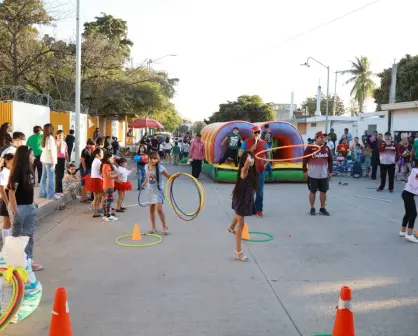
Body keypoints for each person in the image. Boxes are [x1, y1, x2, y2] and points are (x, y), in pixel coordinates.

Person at [8, 145, 43, 271]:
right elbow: (11, 193)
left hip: (30, 207)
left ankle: (28, 261)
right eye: (32, 155)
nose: (34, 157)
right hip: (20, 208)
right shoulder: (17, 172)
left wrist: (33, 204)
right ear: (25, 156)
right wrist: (16, 212)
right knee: (17, 237)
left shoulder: (30, 170)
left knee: (29, 236)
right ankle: (13, 264)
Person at [227, 151, 257, 261]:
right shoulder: (244, 170)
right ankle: (238, 252)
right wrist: (247, 163)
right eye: (249, 158)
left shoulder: (253, 172)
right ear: (245, 160)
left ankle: (230, 227)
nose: (251, 159)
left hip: (244, 199)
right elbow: (245, 168)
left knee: (239, 215)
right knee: (241, 225)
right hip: (241, 199)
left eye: (252, 158)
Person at [239, 126, 269, 218]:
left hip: (260, 171)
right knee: (249, 191)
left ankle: (259, 209)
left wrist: (264, 165)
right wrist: (250, 150)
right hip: (249, 171)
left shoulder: (264, 143)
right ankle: (249, 209)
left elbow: (269, 156)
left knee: (260, 192)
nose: (256, 134)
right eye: (255, 132)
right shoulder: (246, 142)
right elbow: (240, 154)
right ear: (251, 133)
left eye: (258, 132)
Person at [302, 131, 333, 216]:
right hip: (313, 174)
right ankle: (312, 208)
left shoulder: (327, 148)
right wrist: (305, 171)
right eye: (321, 137)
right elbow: (304, 160)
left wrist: (330, 171)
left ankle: (322, 208)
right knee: (313, 191)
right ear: (316, 138)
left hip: (323, 175)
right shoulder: (309, 148)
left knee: (324, 192)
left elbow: (330, 161)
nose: (323, 139)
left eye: (324, 137)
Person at [142, 151, 171, 235]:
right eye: (151, 158)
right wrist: (144, 183)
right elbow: (148, 177)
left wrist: (175, 176)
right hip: (150, 190)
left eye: (155, 159)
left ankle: (164, 227)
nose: (153, 160)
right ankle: (153, 227)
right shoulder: (146, 167)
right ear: (148, 159)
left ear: (158, 159)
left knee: (158, 209)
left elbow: (169, 177)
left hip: (158, 191)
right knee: (151, 209)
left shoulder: (160, 167)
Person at [400, 163, 418, 243]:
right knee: (413, 214)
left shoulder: (414, 170)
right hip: (408, 194)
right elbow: (415, 185)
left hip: (406, 194)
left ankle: (403, 231)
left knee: (408, 212)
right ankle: (409, 234)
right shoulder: (416, 171)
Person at [40, 123, 58, 200]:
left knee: (43, 177)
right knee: (50, 178)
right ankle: (51, 195)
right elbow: (51, 151)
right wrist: (53, 161)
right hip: (49, 160)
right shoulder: (50, 138)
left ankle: (42, 193)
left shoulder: (44, 137)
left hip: (44, 159)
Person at [0, 153, 14, 242]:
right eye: (12, 161)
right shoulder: (3, 173)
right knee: (6, 222)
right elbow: (1, 189)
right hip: (5, 199)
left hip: (9, 199)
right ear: (6, 161)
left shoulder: (9, 171)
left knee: (10, 222)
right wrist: (7, 203)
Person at [101, 152, 119, 221]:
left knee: (107, 200)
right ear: (108, 158)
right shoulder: (107, 166)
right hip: (108, 186)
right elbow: (110, 176)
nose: (112, 159)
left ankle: (106, 214)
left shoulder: (105, 165)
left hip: (106, 185)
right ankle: (108, 215)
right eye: (111, 158)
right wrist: (118, 174)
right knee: (109, 201)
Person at [89, 148, 104, 218]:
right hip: (97, 179)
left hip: (94, 179)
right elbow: (101, 172)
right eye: (102, 153)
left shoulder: (95, 161)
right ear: (97, 155)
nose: (102, 154)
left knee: (97, 197)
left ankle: (95, 211)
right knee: (98, 196)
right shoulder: (98, 162)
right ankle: (95, 211)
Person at [55, 130, 68, 197]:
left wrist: (67, 161)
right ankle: (58, 190)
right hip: (57, 159)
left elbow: (66, 152)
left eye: (61, 135)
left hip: (62, 159)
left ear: (63, 136)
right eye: (58, 135)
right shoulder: (55, 142)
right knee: (58, 175)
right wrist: (60, 143)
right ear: (56, 135)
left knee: (61, 175)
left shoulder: (65, 143)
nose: (60, 136)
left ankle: (60, 190)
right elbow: (59, 151)